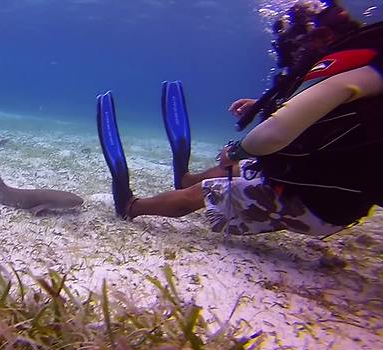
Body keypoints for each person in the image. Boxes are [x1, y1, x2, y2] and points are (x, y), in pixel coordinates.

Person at [114, 0, 383, 237]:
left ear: (321, 36)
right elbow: (324, 117)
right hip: (325, 191)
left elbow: (276, 132)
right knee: (241, 169)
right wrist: (260, 106)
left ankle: (131, 206)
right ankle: (186, 178)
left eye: (292, 48)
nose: (292, 59)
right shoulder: (365, 67)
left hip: (316, 204)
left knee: (202, 193)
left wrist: (237, 150)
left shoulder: (351, 69)